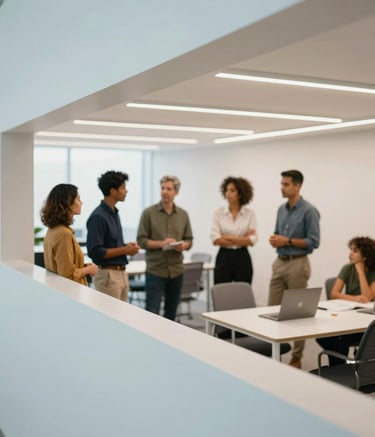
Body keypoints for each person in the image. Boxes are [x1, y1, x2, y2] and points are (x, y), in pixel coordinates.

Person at [268, 170, 320, 369]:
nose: (282, 187)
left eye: (286, 184)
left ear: (297, 186)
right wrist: (276, 239)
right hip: (280, 261)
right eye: (281, 183)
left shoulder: (309, 211)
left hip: (298, 263)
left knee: (297, 312)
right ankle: (275, 350)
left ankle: (297, 356)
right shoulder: (281, 209)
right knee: (271, 309)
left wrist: (287, 240)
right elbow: (277, 233)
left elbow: (314, 242)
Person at [136, 175, 193, 321]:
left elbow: (189, 240)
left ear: (176, 192)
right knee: (152, 313)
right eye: (162, 188)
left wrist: (183, 246)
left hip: (176, 271)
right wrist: (162, 244)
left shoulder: (183, 214)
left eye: (169, 189)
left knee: (171, 315)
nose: (165, 192)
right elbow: (141, 241)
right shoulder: (148, 213)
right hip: (156, 271)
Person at [316, 236, 375, 365]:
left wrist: (360, 272)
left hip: (364, 324)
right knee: (323, 336)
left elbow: (368, 296)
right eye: (350, 250)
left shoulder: (373, 271)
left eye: (355, 251)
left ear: (365, 256)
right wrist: (354, 298)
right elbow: (334, 294)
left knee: (340, 339)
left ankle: (337, 370)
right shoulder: (347, 269)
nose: (350, 253)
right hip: (347, 316)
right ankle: (340, 369)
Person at [86, 170, 140, 301]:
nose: (126, 191)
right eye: (123, 188)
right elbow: (95, 252)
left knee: (122, 317)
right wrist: (124, 250)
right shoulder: (98, 217)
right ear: (113, 191)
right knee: (110, 318)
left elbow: (111, 245)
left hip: (120, 273)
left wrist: (126, 247)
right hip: (107, 275)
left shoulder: (114, 213)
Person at [41, 184, 98, 285]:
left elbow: (61, 266)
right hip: (71, 292)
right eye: (78, 199)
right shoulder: (64, 234)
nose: (81, 203)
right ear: (68, 202)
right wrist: (88, 270)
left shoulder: (53, 230)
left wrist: (83, 266)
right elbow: (68, 275)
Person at [210, 176, 257, 285]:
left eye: (232, 191)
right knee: (221, 293)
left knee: (243, 292)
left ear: (240, 194)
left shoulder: (250, 214)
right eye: (226, 190)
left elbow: (252, 240)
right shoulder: (218, 213)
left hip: (242, 256)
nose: (228, 193)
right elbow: (215, 239)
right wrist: (242, 238)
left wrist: (226, 236)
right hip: (224, 256)